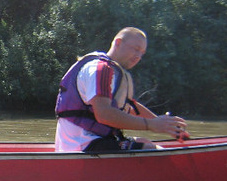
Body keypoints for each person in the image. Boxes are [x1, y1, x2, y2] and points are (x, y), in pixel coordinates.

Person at [54, 27, 189, 152]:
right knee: (149, 149)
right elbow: (105, 114)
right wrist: (151, 125)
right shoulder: (100, 69)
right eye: (135, 49)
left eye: (142, 52)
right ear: (118, 43)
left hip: (95, 141)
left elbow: (130, 106)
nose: (138, 56)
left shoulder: (111, 71)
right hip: (82, 144)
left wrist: (162, 123)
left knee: (144, 141)